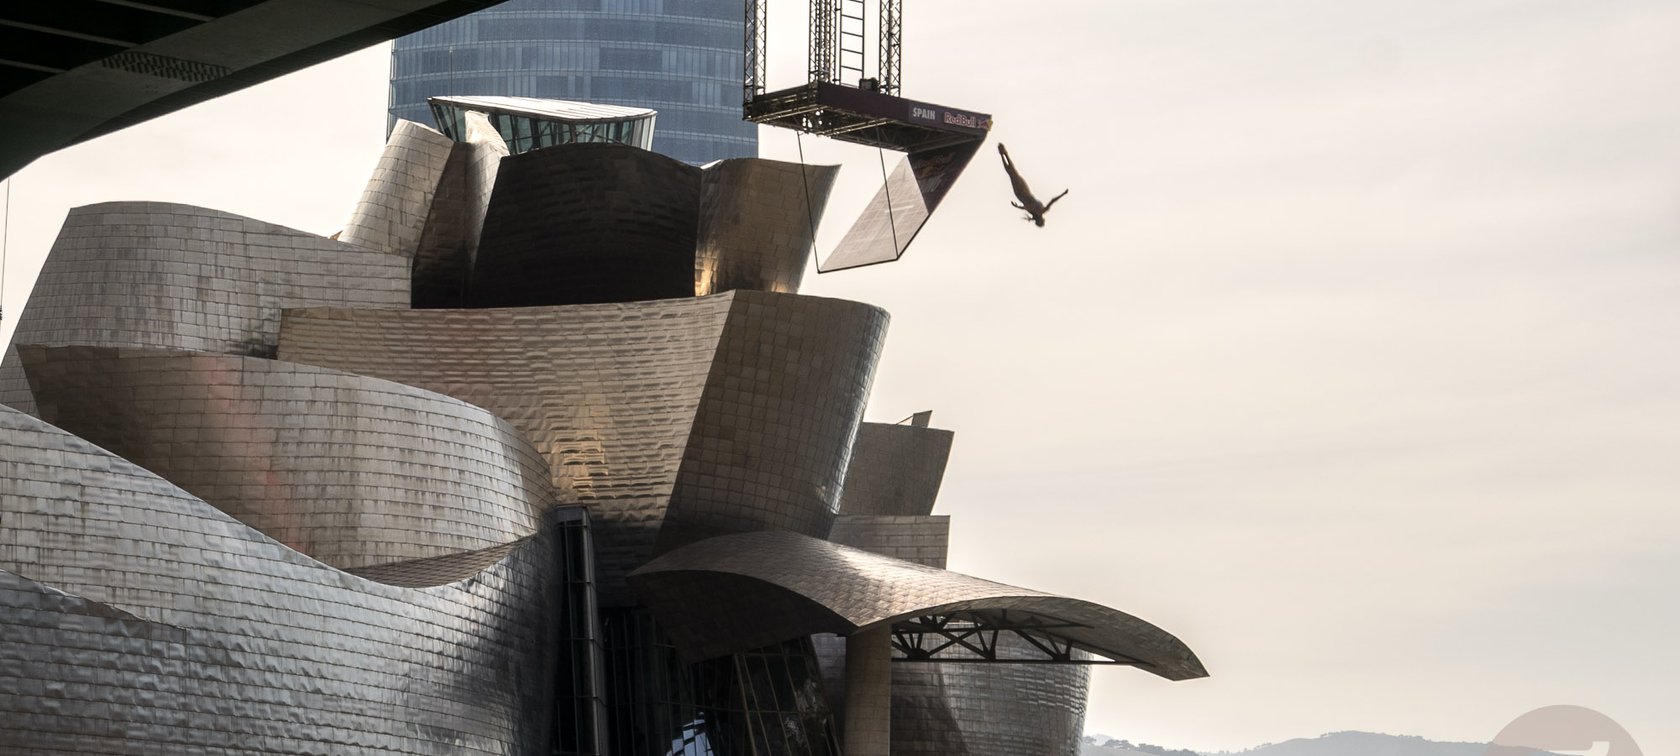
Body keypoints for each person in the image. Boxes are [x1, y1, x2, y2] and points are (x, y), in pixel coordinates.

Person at [998, 143, 1068, 227]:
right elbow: (1026, 207)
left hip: (1025, 192)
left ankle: (1005, 153)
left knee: (1014, 173)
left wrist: (1063, 194)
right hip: (1019, 195)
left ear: (1041, 220)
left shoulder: (1042, 211)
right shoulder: (1033, 212)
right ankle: (1002, 155)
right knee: (1011, 174)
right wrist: (1017, 206)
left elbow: (1053, 200)